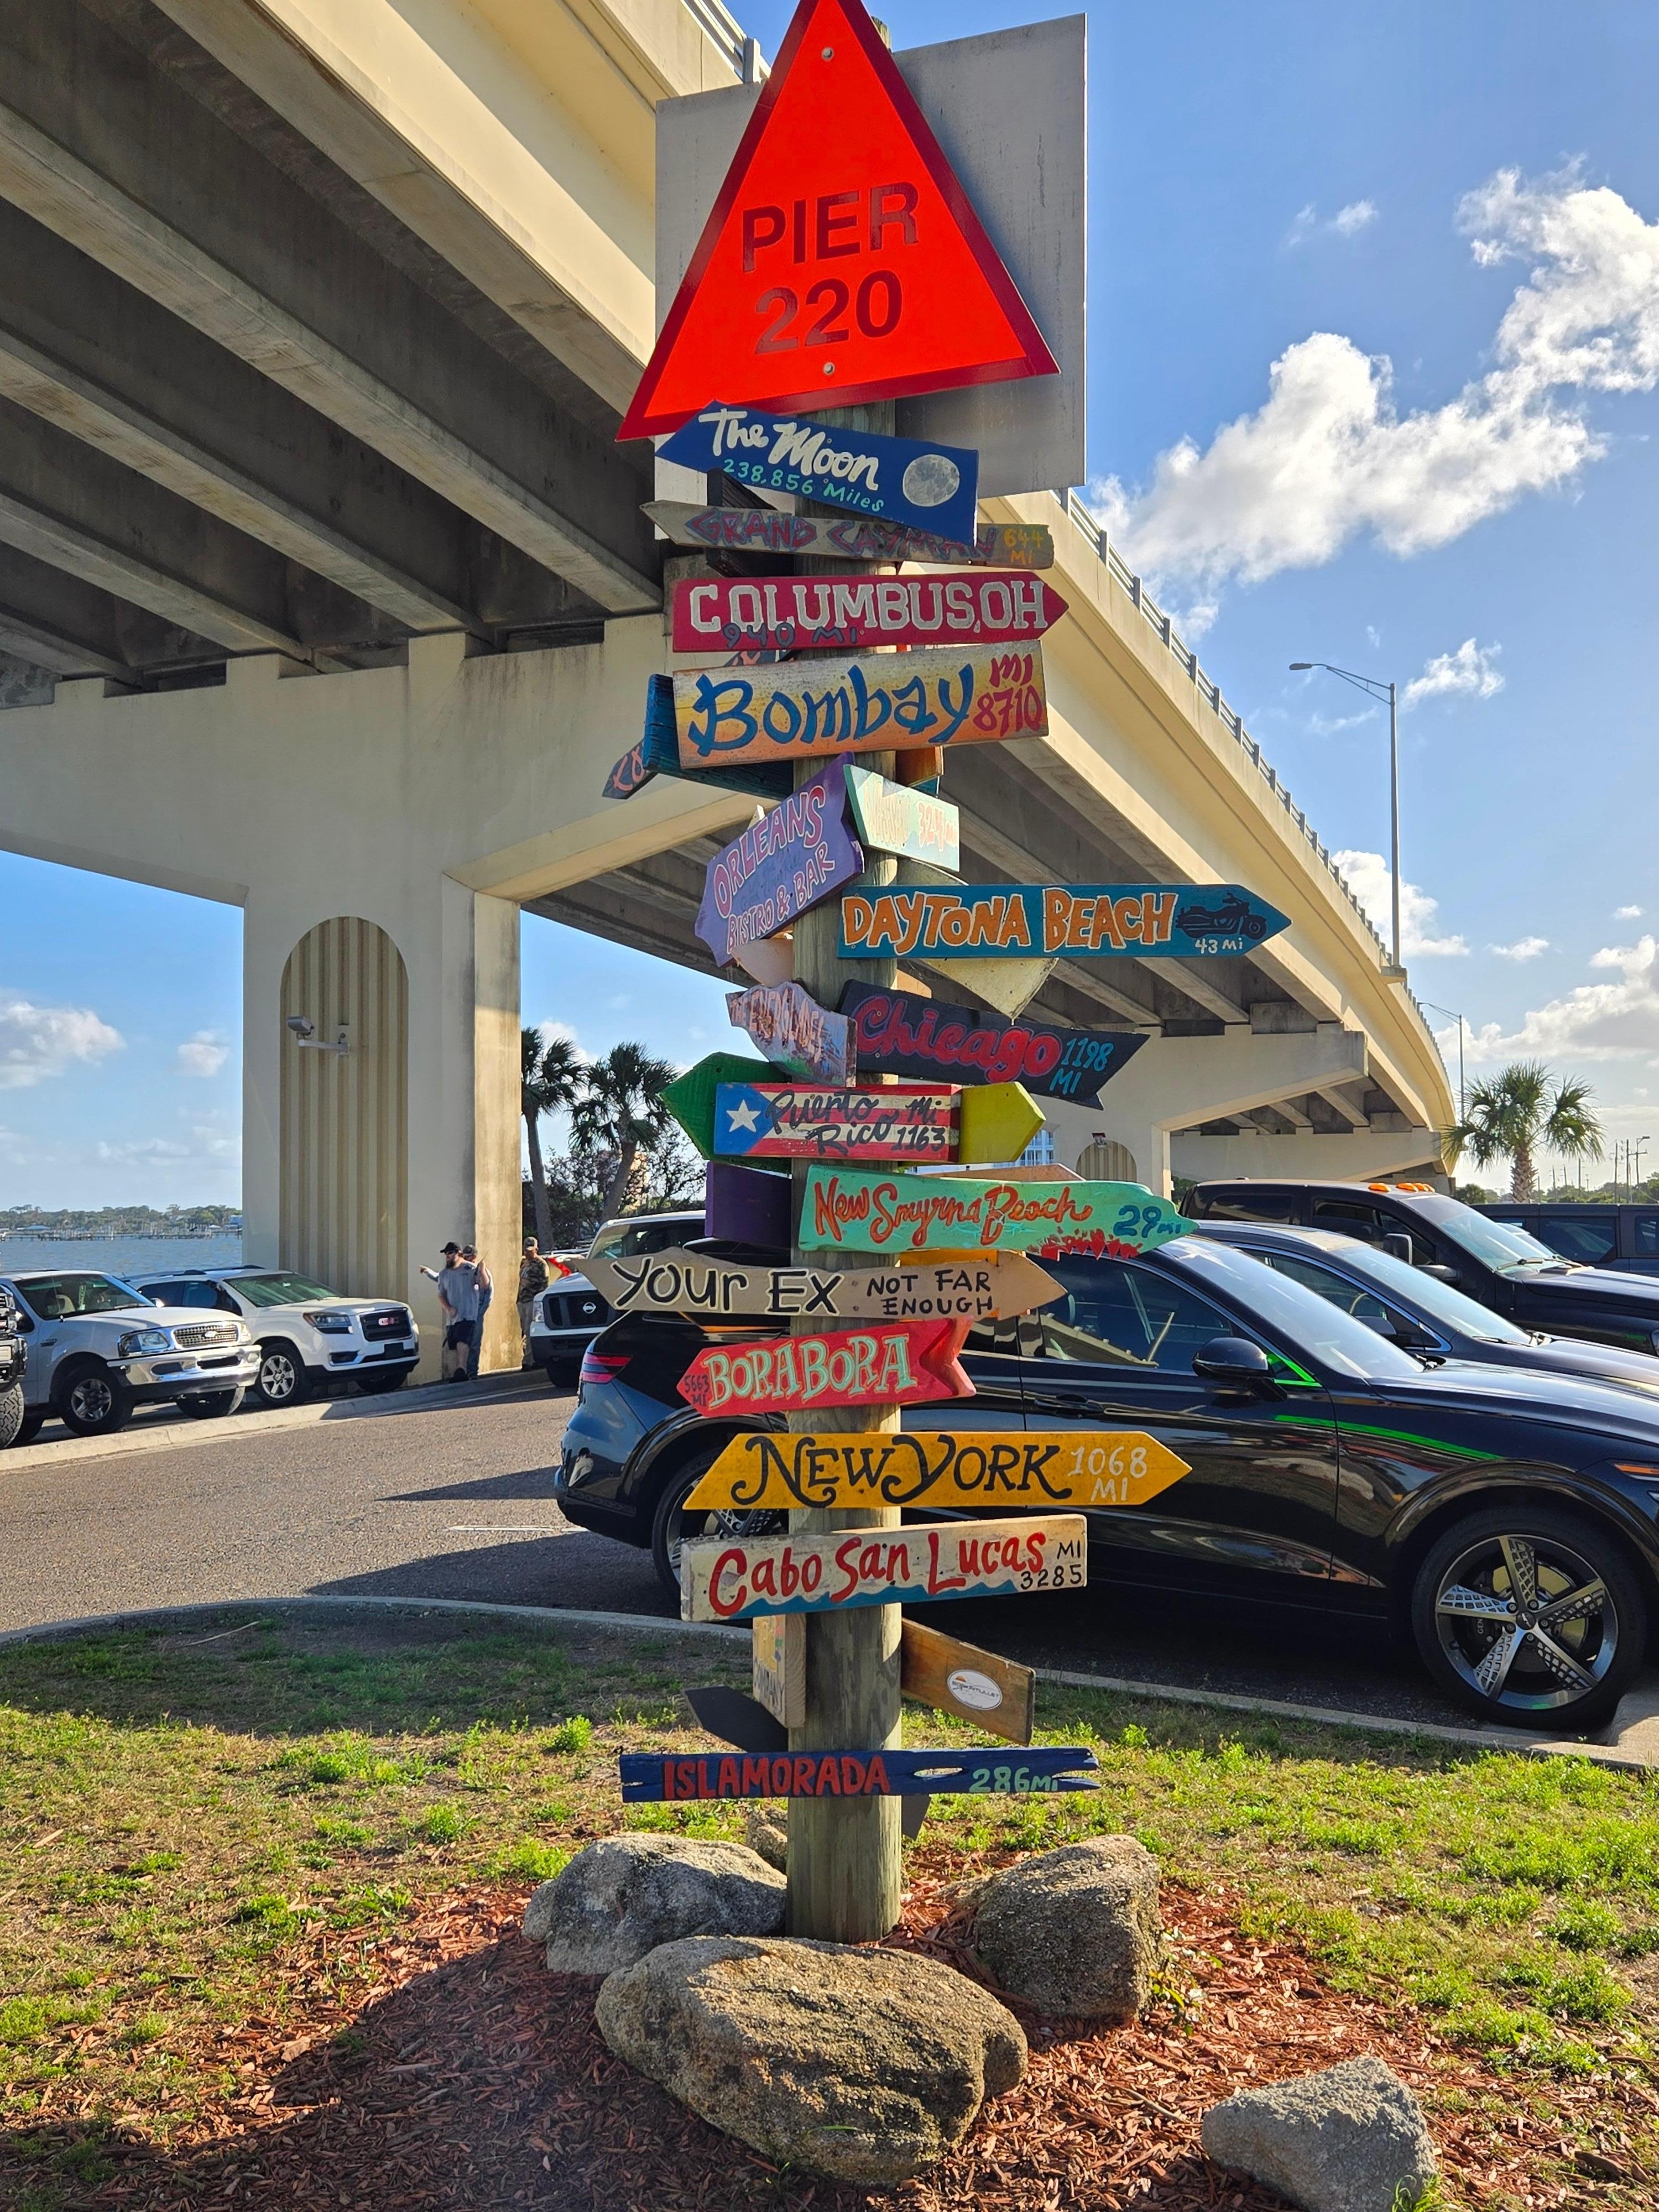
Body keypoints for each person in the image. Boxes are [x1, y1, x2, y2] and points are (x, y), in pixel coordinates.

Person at [421, 1241, 478, 1381]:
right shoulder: (445, 1274)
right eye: (446, 1254)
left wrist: (481, 1307)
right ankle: (459, 1371)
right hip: (452, 1317)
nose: (447, 1256)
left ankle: (462, 1371)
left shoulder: (470, 1269)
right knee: (453, 1344)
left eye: (450, 1253)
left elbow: (484, 1285)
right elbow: (440, 1294)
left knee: (462, 1342)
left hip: (469, 1314)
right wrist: (448, 1308)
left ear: (459, 1254)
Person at [518, 1238, 550, 1369]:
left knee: (530, 1331)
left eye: (530, 1250)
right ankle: (528, 1357)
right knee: (524, 1331)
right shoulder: (524, 1263)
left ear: (536, 1249)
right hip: (522, 1300)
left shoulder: (541, 1264)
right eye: (526, 1250)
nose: (528, 1253)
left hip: (532, 1300)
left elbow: (545, 1285)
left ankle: (529, 1361)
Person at [462, 1243, 492, 1379]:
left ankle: (472, 1372)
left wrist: (482, 1270)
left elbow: (487, 1289)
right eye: (464, 1257)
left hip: (477, 1314)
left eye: (469, 1257)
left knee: (474, 1344)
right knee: (462, 1344)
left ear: (474, 1257)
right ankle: (462, 1372)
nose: (466, 1259)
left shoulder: (481, 1272)